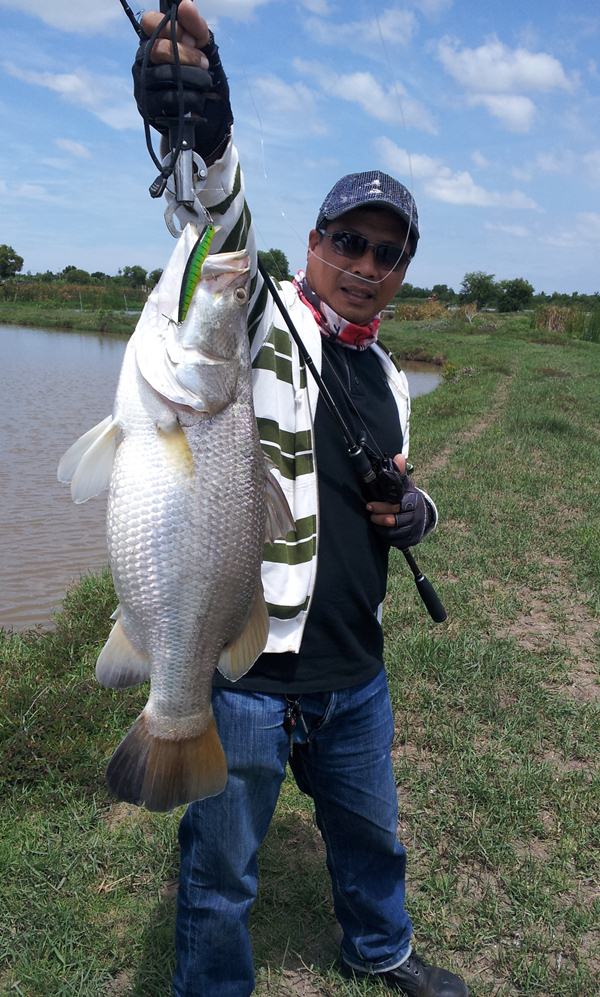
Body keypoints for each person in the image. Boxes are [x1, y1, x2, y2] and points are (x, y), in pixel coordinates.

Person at [134, 4, 469, 996]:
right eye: (347, 241)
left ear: (402, 269)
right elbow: (216, 226)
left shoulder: (392, 377)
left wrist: (419, 513)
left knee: (371, 836)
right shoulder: (266, 320)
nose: (364, 265)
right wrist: (206, 125)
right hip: (248, 677)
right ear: (314, 241)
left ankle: (381, 949)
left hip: (355, 671)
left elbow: (397, 484)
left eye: (386, 252)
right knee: (220, 878)